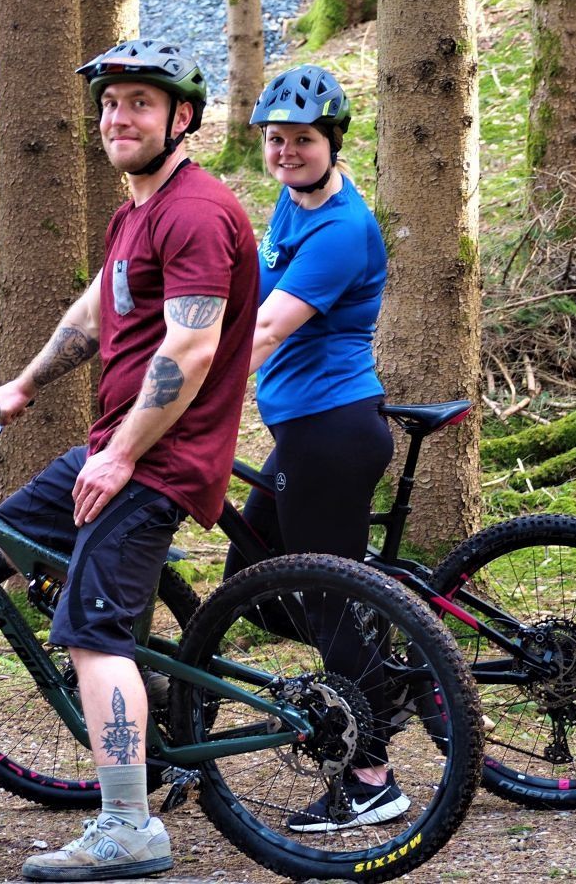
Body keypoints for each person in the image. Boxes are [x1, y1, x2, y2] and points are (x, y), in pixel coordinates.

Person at [0, 39, 259, 883]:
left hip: (159, 460)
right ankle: (152, 708)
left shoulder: (198, 212)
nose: (118, 117)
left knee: (93, 636)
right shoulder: (137, 210)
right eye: (110, 103)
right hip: (118, 446)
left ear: (181, 118)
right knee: (7, 536)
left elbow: (191, 348)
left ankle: (127, 825)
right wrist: (25, 385)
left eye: (139, 102)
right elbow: (100, 308)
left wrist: (123, 459)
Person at [224, 63, 400, 833]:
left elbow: (267, 328)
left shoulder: (339, 229)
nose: (286, 151)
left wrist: (190, 396)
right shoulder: (293, 206)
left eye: (301, 139)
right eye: (275, 139)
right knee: (255, 583)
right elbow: (249, 293)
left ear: (331, 141)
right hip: (306, 429)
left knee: (327, 602)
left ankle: (370, 778)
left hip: (331, 432)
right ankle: (391, 660)